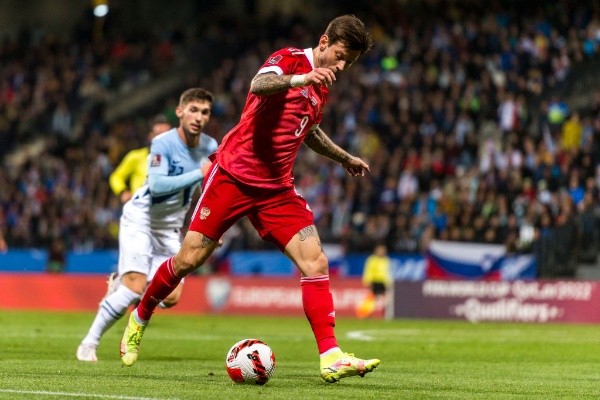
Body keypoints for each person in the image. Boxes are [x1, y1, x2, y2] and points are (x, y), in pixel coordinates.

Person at [120, 15, 380, 383]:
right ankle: (141, 315)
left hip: (276, 190)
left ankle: (331, 355)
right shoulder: (290, 61)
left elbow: (309, 132)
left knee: (315, 261)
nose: (341, 66)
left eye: (348, 63)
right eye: (339, 56)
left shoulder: (322, 86)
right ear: (324, 41)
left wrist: (344, 158)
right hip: (233, 176)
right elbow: (260, 84)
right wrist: (302, 78)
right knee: (189, 258)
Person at [76, 88, 218, 362]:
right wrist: (196, 174)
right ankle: (88, 343)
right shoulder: (163, 143)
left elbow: (209, 187)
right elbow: (157, 184)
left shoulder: (209, 147)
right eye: (193, 110)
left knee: (172, 296)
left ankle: (121, 289)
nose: (198, 117)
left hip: (170, 226)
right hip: (141, 217)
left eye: (205, 112)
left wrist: (212, 223)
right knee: (134, 287)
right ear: (180, 112)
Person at [109, 114, 173, 204]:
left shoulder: (177, 160)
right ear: (150, 136)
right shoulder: (136, 156)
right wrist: (123, 192)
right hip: (140, 208)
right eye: (158, 135)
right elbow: (116, 177)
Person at [357, 244, 392, 318]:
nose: (382, 252)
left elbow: (387, 272)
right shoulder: (372, 259)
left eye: (383, 250)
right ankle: (365, 313)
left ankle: (384, 314)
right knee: (372, 299)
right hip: (374, 281)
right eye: (380, 250)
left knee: (384, 299)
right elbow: (368, 270)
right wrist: (367, 280)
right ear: (376, 251)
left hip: (383, 282)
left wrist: (389, 281)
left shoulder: (386, 260)